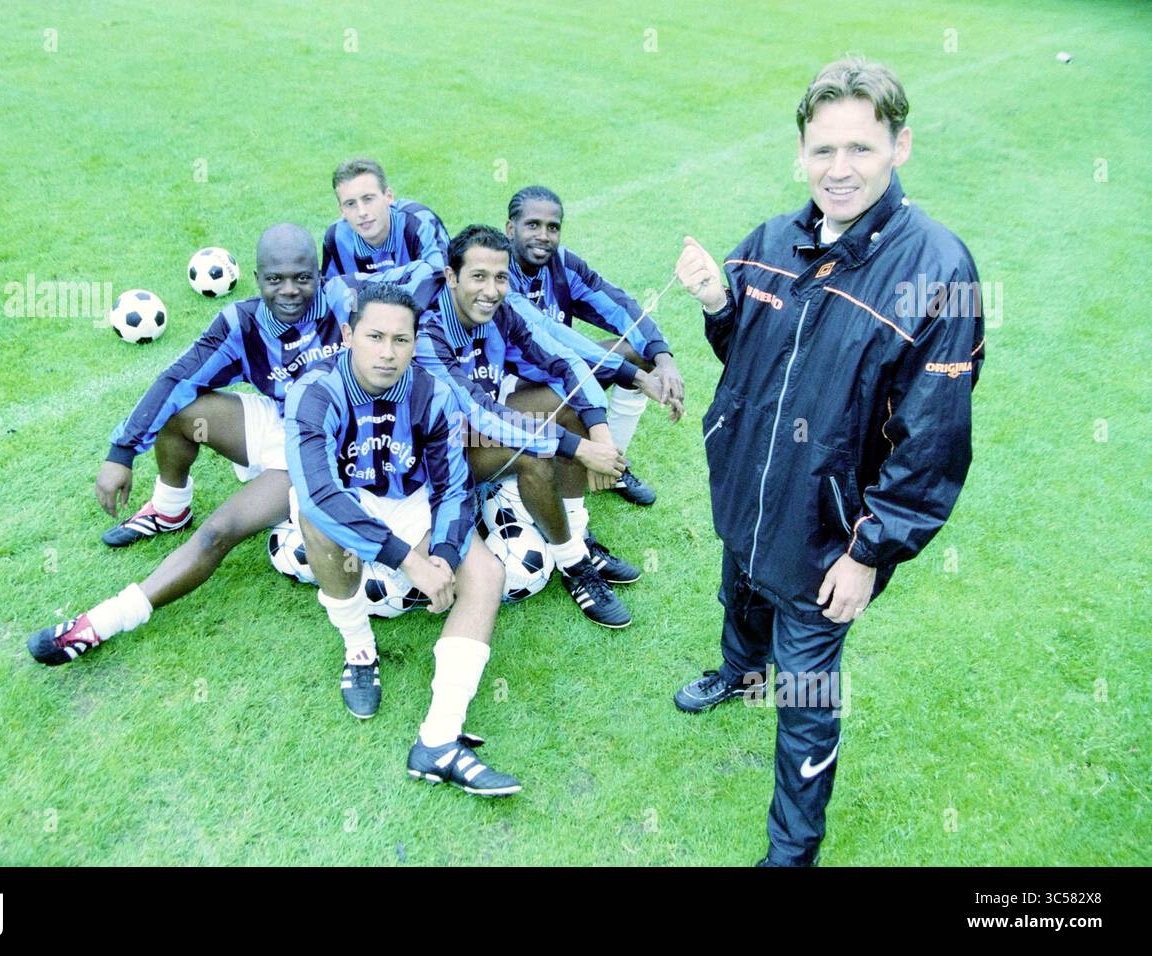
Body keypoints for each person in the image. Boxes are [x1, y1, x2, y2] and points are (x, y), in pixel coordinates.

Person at [671, 58, 985, 865]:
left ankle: (793, 852)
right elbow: (744, 353)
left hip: (826, 542)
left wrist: (868, 555)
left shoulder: (940, 272)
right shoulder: (776, 238)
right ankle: (740, 674)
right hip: (749, 495)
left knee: (807, 698)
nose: (838, 171)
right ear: (800, 151)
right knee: (737, 599)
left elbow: (934, 441)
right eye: (822, 150)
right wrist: (718, 301)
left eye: (860, 149)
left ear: (899, 146)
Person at [26, 225, 439, 665]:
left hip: (327, 450)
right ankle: (170, 508)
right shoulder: (241, 323)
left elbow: (433, 276)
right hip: (283, 427)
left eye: (302, 277)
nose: (290, 290)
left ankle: (103, 621)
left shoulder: (350, 298)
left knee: (220, 531)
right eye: (275, 279)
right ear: (257, 277)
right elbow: (177, 379)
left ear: (320, 274)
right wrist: (121, 452)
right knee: (183, 409)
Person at [285, 283, 519, 795]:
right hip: (344, 494)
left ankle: (438, 740)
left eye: (400, 340)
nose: (387, 353)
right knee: (315, 518)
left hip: (406, 495)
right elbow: (321, 491)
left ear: (416, 342)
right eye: (374, 336)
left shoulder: (430, 392)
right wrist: (406, 561)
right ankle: (359, 651)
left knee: (486, 572)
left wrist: (442, 555)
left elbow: (453, 485)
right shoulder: (315, 389)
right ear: (348, 335)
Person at [416, 225, 663, 629]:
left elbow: (562, 361)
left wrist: (598, 431)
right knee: (532, 450)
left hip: (483, 428)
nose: (492, 289)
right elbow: (479, 412)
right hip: (443, 455)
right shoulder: (428, 334)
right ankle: (573, 566)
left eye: (500, 277)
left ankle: (579, 536)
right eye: (478, 276)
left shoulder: (502, 313)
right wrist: (580, 449)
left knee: (565, 401)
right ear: (451, 277)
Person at [506, 185, 685, 505]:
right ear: (511, 229)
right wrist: (636, 376)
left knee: (634, 351)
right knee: (570, 391)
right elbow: (550, 336)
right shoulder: (496, 274)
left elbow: (618, 306)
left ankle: (613, 464)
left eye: (553, 227)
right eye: (532, 225)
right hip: (507, 390)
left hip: (560, 367)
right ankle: (570, 495)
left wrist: (662, 357)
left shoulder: (562, 264)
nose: (544, 235)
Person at [322, 158, 450, 281]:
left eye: (368, 199)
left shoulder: (418, 223)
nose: (362, 212)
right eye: (350, 204)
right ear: (341, 210)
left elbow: (440, 279)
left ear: (388, 197)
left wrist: (361, 285)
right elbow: (330, 293)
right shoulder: (336, 238)